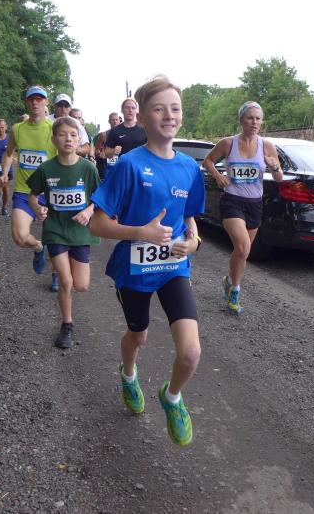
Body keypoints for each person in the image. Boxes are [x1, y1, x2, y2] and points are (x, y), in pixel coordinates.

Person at [89, 75, 205, 446]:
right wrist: (141, 232)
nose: (169, 115)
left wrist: (194, 242)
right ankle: (128, 374)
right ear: (142, 118)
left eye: (175, 108)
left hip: (173, 268)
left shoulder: (190, 168)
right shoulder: (129, 165)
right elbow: (97, 223)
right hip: (134, 270)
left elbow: (190, 219)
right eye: (159, 109)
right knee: (138, 335)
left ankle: (172, 397)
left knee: (191, 352)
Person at [201, 101, 283, 314]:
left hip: (255, 203)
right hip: (232, 201)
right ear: (241, 120)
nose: (254, 122)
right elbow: (207, 161)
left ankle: (229, 281)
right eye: (250, 118)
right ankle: (236, 291)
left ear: (262, 122)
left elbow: (279, 177)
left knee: (241, 252)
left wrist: (274, 166)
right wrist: (218, 176)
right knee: (244, 247)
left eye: (258, 118)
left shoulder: (267, 146)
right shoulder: (228, 143)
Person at [27, 117, 101, 349]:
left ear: (79, 140)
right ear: (54, 140)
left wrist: (89, 210)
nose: (68, 139)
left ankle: (63, 270)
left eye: (73, 135)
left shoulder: (88, 169)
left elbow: (100, 199)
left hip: (80, 232)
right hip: (55, 230)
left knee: (81, 285)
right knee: (66, 281)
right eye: (62, 134)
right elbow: (32, 195)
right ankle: (67, 324)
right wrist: (38, 208)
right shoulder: (46, 169)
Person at [0, 85, 57, 280]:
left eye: (39, 99)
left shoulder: (54, 129)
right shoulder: (17, 129)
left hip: (51, 192)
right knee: (19, 237)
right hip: (25, 191)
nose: (35, 102)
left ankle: (57, 274)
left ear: (46, 102)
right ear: (26, 102)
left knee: (58, 239)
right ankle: (38, 247)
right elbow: (8, 154)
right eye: (31, 99)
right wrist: (4, 173)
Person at [102, 97, 146, 173]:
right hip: (123, 170)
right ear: (122, 110)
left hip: (142, 169)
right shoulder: (115, 131)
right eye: (127, 107)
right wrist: (113, 151)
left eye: (133, 108)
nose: (130, 110)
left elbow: (152, 149)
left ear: (136, 111)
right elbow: (106, 153)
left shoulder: (144, 129)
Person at [50, 94, 91, 159]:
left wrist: (75, 149)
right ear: (55, 106)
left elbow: (86, 146)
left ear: (70, 108)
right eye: (60, 105)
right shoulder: (46, 120)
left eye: (66, 106)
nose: (63, 109)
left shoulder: (76, 123)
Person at [94, 112, 121, 180]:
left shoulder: (125, 134)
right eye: (113, 120)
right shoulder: (104, 135)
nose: (115, 122)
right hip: (107, 167)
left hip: (120, 165)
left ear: (119, 120)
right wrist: (100, 154)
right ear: (109, 121)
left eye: (116, 119)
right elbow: (96, 150)